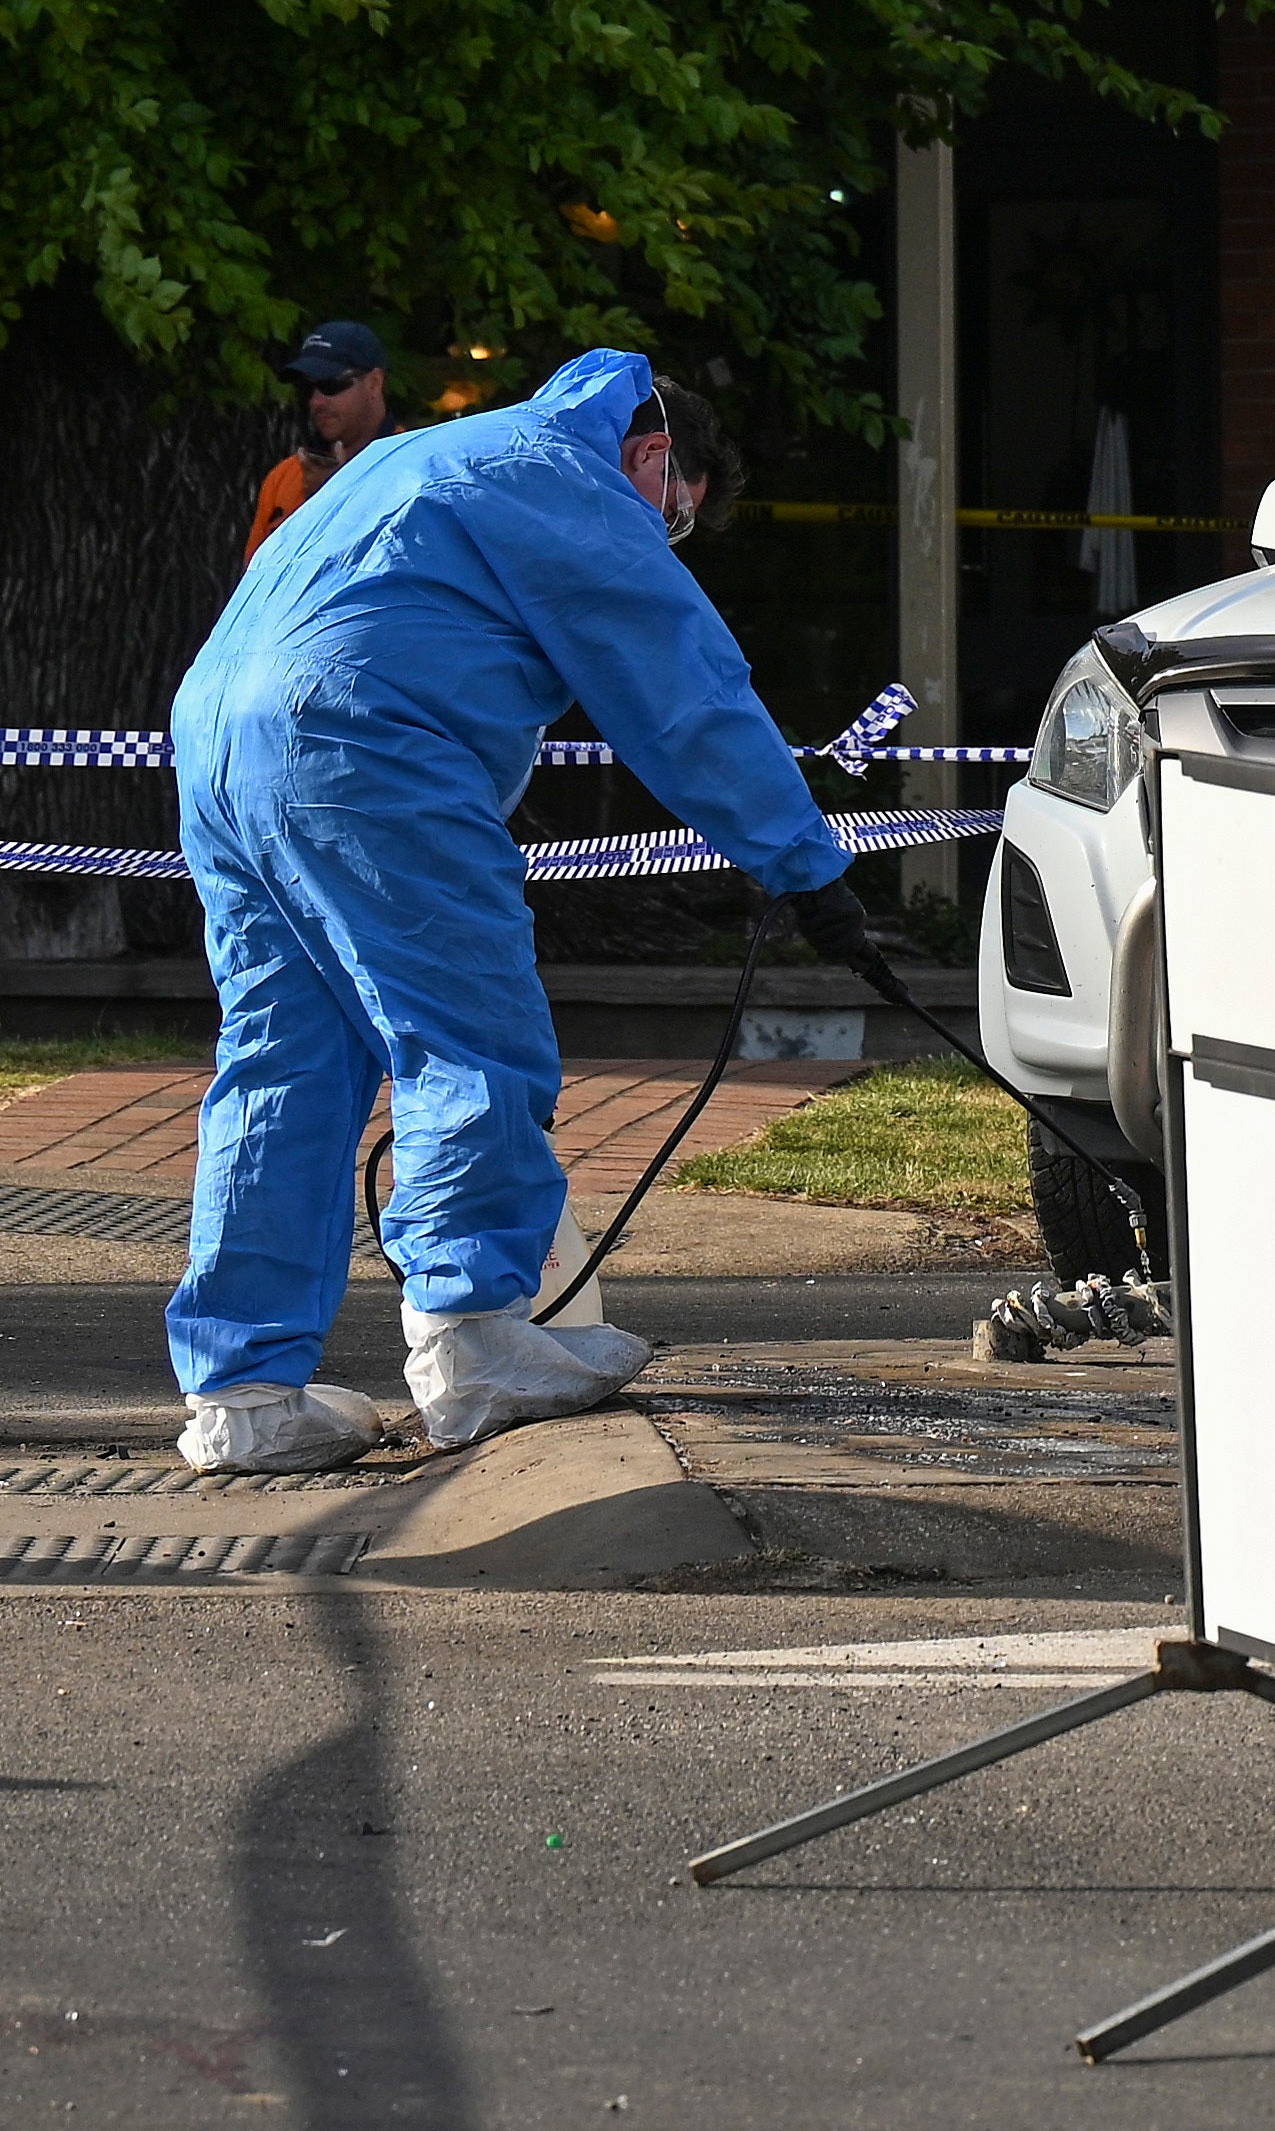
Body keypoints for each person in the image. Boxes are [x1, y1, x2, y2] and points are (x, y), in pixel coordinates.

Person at [164, 343, 859, 1476]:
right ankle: (476, 1344)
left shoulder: (422, 456)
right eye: (675, 522)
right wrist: (805, 864)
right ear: (653, 456)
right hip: (364, 743)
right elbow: (684, 693)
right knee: (467, 1035)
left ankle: (243, 1394)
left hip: (219, 743)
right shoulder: (568, 479)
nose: (665, 544)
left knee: (281, 1061)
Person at [242, 315, 392, 549]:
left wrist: (337, 497)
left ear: (374, 383)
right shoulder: (283, 478)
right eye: (307, 387)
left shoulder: (415, 470)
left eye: (330, 385)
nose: (316, 401)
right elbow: (254, 579)